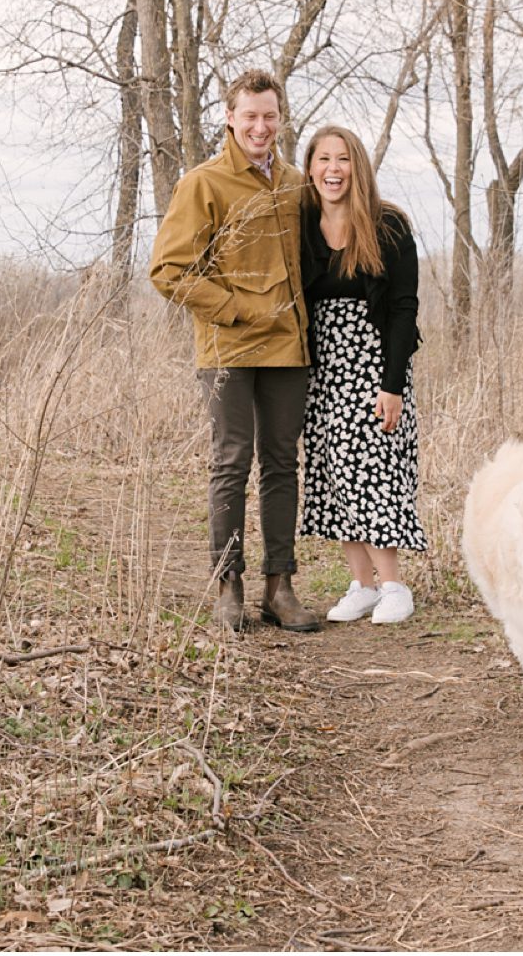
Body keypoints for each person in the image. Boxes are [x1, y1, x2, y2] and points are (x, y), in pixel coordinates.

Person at [148, 70, 321, 634]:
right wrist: (237, 309)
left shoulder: (296, 183)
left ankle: (280, 586)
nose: (260, 126)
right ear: (229, 117)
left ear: (280, 118)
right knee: (230, 462)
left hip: (290, 349)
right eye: (249, 115)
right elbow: (169, 271)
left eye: (269, 115)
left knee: (281, 464)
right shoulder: (204, 183)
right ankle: (228, 583)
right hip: (227, 346)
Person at [297, 124, 425, 625]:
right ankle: (363, 585)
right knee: (332, 472)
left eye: (343, 159)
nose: (334, 169)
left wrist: (392, 384)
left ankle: (394, 585)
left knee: (373, 469)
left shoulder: (387, 224)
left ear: (358, 168)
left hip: (373, 364)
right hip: (321, 368)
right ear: (310, 168)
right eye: (324, 159)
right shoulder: (301, 224)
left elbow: (403, 309)